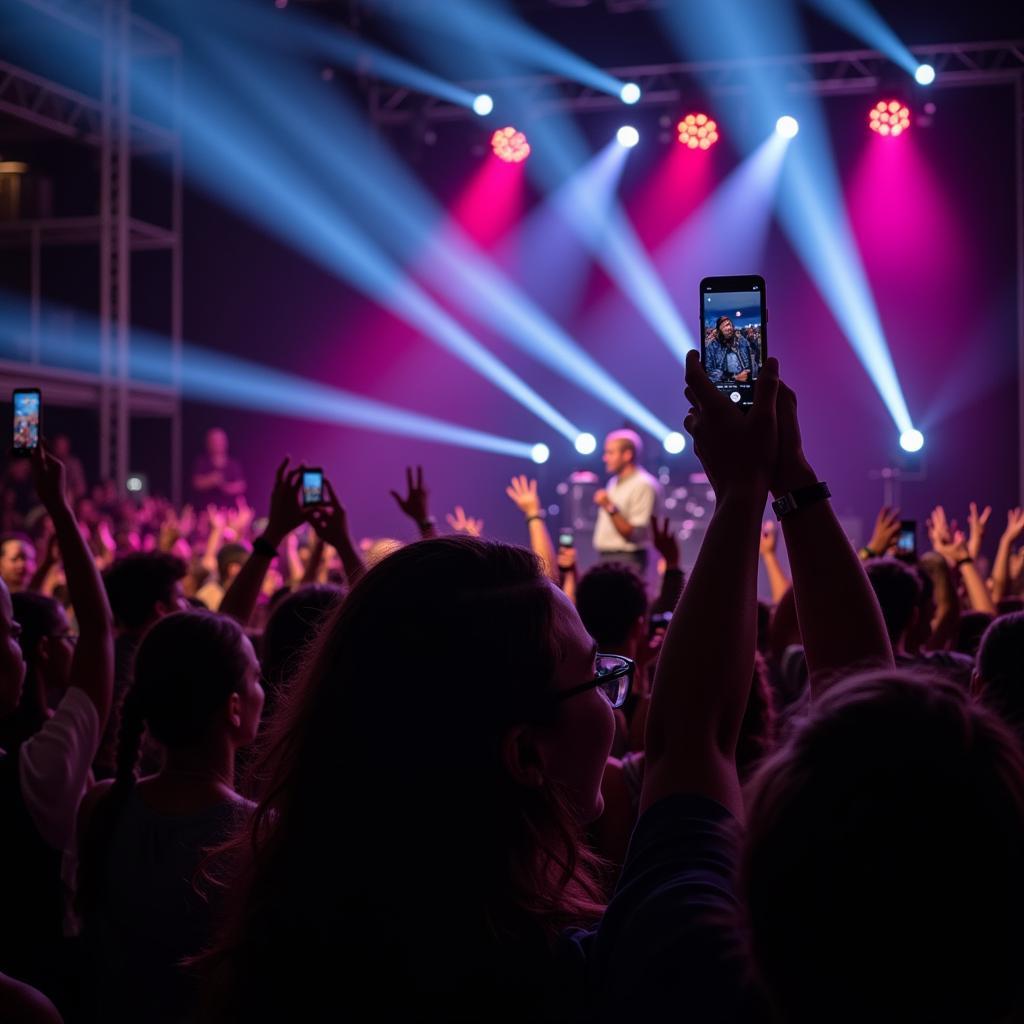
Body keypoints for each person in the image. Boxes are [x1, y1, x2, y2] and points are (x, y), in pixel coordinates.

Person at [592, 352, 1024, 1024]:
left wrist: (748, 490)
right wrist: (783, 479)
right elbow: (860, 720)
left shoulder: (697, 961)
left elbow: (688, 742)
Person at [196, 535, 627, 1020]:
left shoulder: (285, 937)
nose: (614, 698)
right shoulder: (559, 981)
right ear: (525, 751)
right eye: (596, 673)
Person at [76, 611, 263, 1024]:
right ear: (234, 707)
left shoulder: (101, 805)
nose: (261, 691)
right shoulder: (258, 833)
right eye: (255, 678)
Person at [0, 444, 114, 1002]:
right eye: (9, 634)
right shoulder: (38, 776)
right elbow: (99, 631)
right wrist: (63, 511)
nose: (16, 647)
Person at [97, 552, 188, 778]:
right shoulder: (160, 668)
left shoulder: (104, 660)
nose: (187, 607)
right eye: (181, 598)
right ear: (161, 610)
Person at [592, 430, 660, 573]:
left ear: (627, 455)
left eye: (610, 453)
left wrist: (609, 506)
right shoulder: (613, 482)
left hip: (627, 560)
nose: (605, 458)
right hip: (607, 557)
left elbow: (635, 533)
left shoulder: (643, 484)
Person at [192, 428, 246, 508]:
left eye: (220, 440)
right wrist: (211, 480)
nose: (217, 443)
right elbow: (196, 483)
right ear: (208, 443)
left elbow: (241, 485)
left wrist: (226, 487)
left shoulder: (233, 464)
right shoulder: (202, 462)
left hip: (228, 512)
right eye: (214, 441)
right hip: (206, 511)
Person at [703, 315, 760, 384]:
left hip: (744, 385)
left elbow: (751, 365)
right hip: (721, 387)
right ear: (718, 330)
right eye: (725, 326)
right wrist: (733, 377)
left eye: (730, 325)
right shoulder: (712, 346)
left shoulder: (742, 342)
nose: (729, 328)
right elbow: (708, 370)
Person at [51, 435, 86, 504]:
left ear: (67, 447)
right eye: (58, 446)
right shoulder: (48, 463)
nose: (60, 449)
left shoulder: (73, 464)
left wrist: (70, 494)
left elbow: (81, 488)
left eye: (63, 446)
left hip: (69, 500)